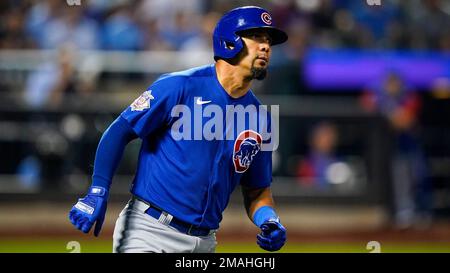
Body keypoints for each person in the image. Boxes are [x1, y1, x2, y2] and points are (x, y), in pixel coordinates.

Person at [69, 6, 288, 253]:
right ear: (230, 39)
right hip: (149, 230)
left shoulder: (261, 119)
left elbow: (257, 189)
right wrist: (97, 190)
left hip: (205, 241)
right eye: (256, 37)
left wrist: (269, 220)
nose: (266, 46)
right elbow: (120, 131)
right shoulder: (179, 86)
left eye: (268, 40)